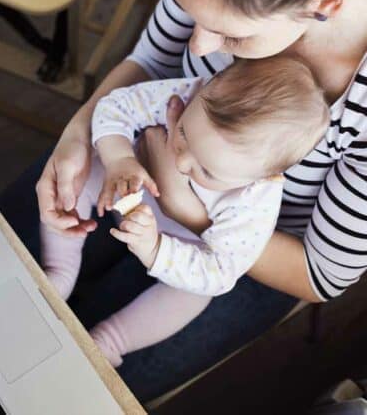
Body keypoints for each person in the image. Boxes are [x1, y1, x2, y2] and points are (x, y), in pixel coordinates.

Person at [0, 0, 367, 402]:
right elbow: (151, 61)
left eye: (232, 35)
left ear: (324, 2)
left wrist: (182, 205)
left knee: (65, 389)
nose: (201, 45)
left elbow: (323, 273)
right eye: (194, 16)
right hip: (135, 152)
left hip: (249, 252)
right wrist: (79, 133)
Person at [40, 57, 329, 367]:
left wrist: (156, 249)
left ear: (263, 177)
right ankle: (59, 270)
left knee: (195, 294)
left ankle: (110, 341)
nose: (180, 163)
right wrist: (119, 158)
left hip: (182, 243)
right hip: (126, 184)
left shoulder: (256, 200)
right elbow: (116, 107)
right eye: (184, 135)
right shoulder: (191, 93)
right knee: (80, 176)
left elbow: (220, 270)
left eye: (206, 170)